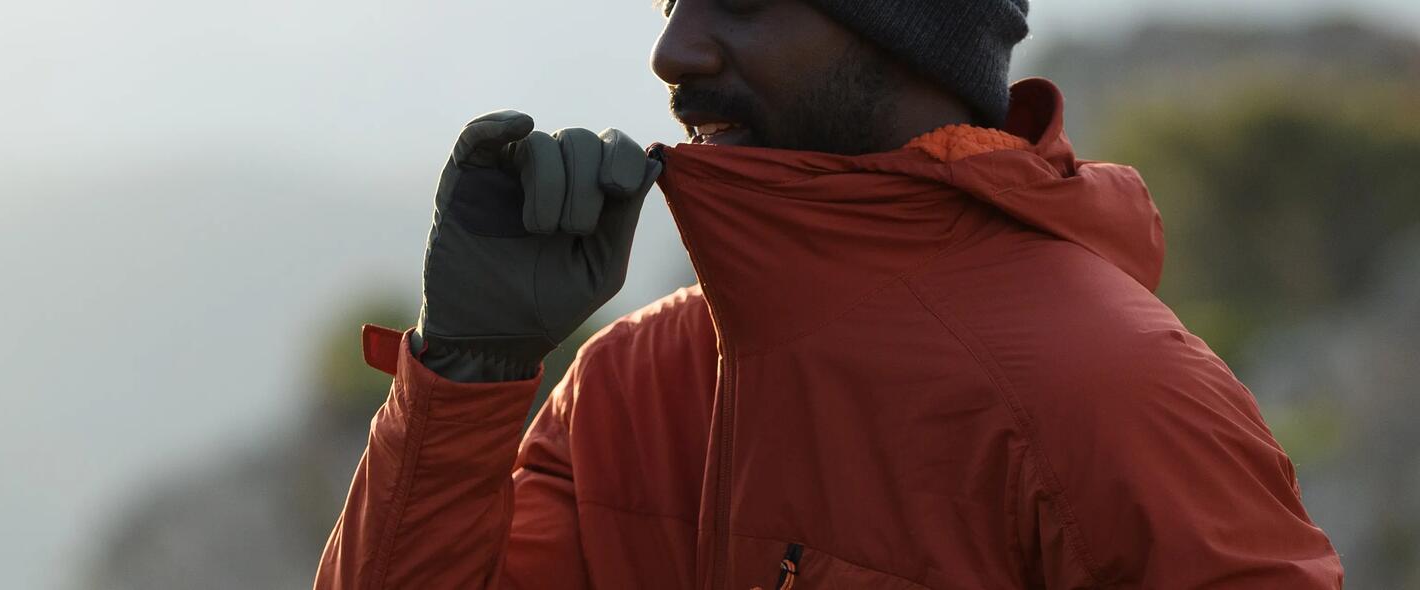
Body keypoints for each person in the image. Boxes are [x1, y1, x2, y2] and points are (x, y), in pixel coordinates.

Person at [316, 0, 1345, 587]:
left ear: (907, 36)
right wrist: (469, 367)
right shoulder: (629, 384)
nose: (674, 51)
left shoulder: (1117, 393)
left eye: (746, 0)